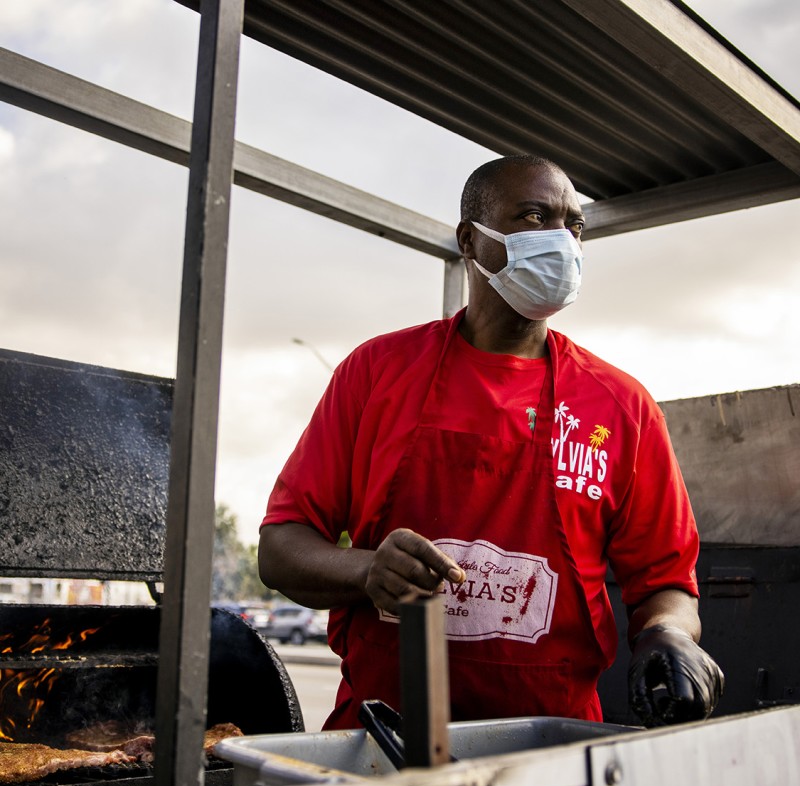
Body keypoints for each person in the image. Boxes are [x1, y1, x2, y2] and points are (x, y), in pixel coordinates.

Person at [259, 155, 724, 730]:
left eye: (573, 226)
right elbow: (280, 548)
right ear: (470, 241)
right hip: (385, 737)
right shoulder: (376, 372)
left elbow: (666, 586)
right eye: (534, 216)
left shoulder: (622, 407)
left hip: (554, 741)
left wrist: (668, 636)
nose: (561, 240)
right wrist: (364, 569)